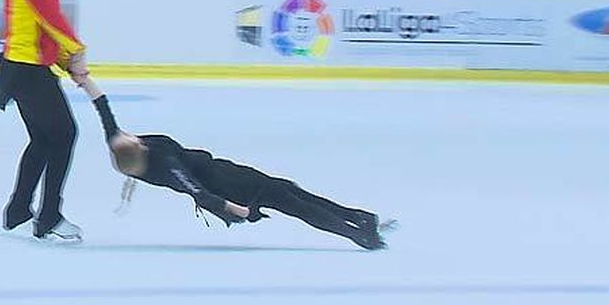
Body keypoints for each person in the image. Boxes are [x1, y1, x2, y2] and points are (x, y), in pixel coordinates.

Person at [76, 77, 394, 251]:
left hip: (226, 172)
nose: (129, 135)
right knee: (295, 204)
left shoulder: (119, 144)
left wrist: (84, 79)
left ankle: (361, 218)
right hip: (231, 187)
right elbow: (199, 193)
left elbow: (103, 109)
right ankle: (358, 235)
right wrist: (238, 210)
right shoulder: (166, 165)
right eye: (133, 140)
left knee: (293, 192)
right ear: (140, 151)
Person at [0, 0, 89, 244]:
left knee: (45, 140)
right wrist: (77, 53)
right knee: (65, 134)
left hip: (24, 68)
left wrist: (62, 59)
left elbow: (40, 28)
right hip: (27, 71)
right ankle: (49, 217)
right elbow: (53, 20)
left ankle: (18, 210)